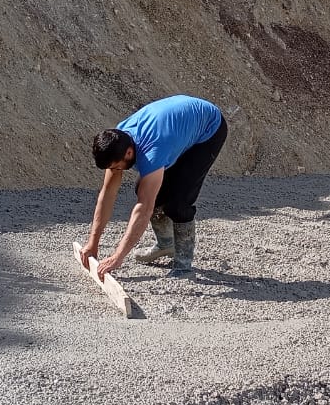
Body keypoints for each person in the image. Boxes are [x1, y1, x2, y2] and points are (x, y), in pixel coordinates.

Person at [82, 95, 227, 278]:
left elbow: (145, 207)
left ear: (129, 152)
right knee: (148, 191)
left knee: (178, 203)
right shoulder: (117, 140)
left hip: (208, 129)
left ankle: (183, 266)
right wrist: (93, 243)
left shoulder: (152, 152)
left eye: (117, 167)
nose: (116, 171)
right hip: (177, 129)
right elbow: (107, 194)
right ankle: (166, 245)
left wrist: (118, 257)